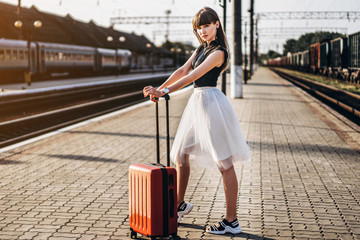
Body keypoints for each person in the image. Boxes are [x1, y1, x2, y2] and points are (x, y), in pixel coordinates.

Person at [143, 7, 251, 235]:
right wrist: (160, 89)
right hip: (197, 104)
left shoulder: (219, 52)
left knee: (224, 164)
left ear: (217, 24)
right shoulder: (201, 48)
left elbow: (193, 77)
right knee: (180, 154)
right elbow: (183, 70)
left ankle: (231, 221)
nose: (202, 30)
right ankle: (179, 205)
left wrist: (165, 92)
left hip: (212, 105)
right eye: (199, 27)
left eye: (206, 25)